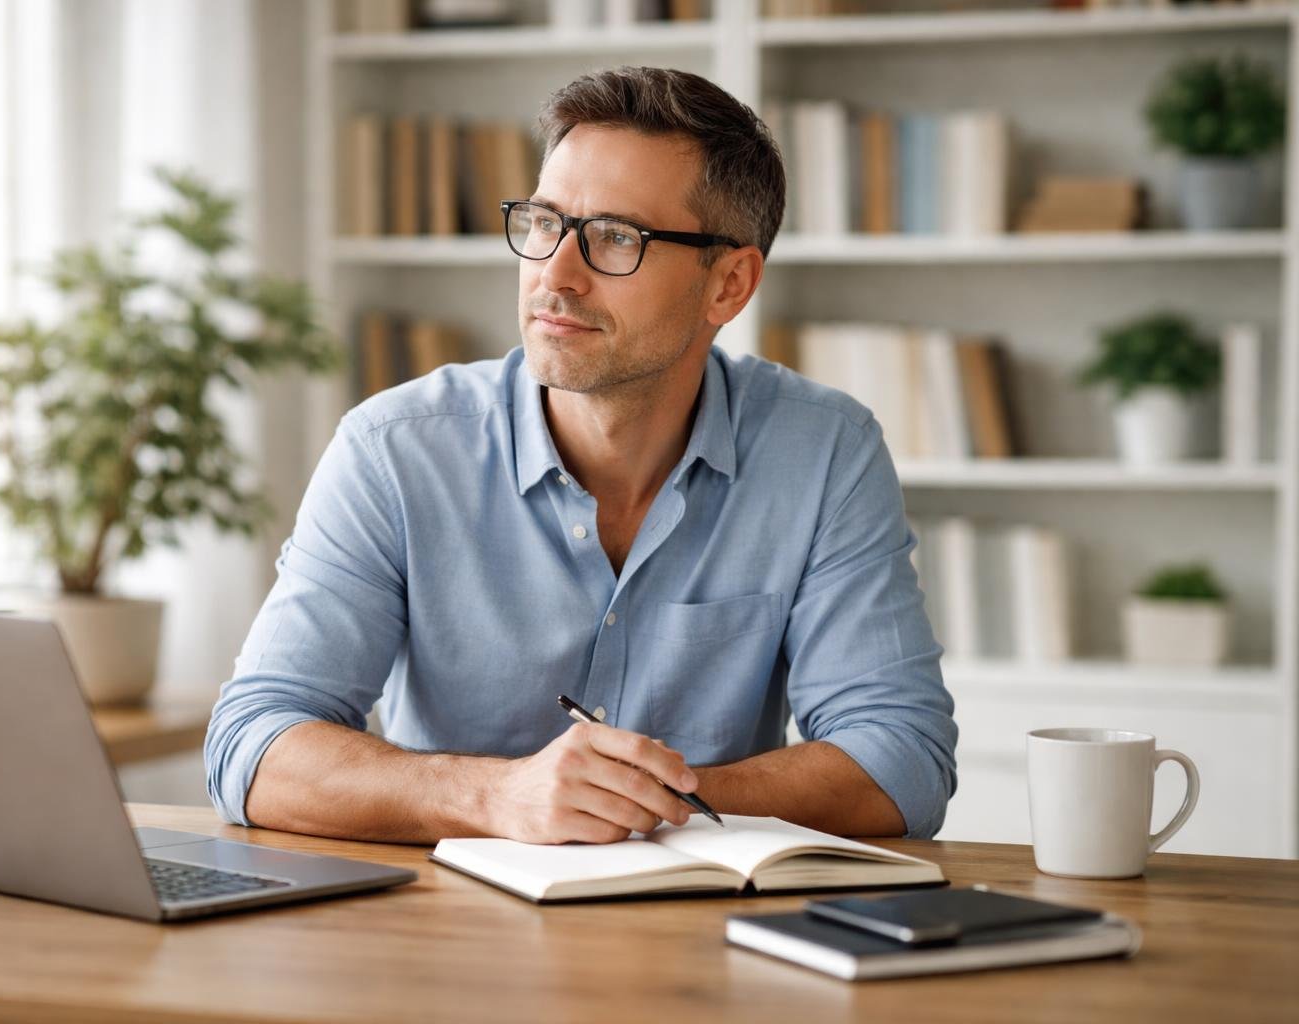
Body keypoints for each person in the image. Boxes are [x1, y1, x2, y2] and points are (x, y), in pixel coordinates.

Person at [205, 66, 957, 846]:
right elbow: (252, 745)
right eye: (543, 223)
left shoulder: (824, 452)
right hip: (447, 913)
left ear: (729, 285)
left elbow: (902, 761)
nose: (555, 275)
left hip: (706, 913)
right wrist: (497, 797)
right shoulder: (394, 450)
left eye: (616, 237)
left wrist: (630, 800)